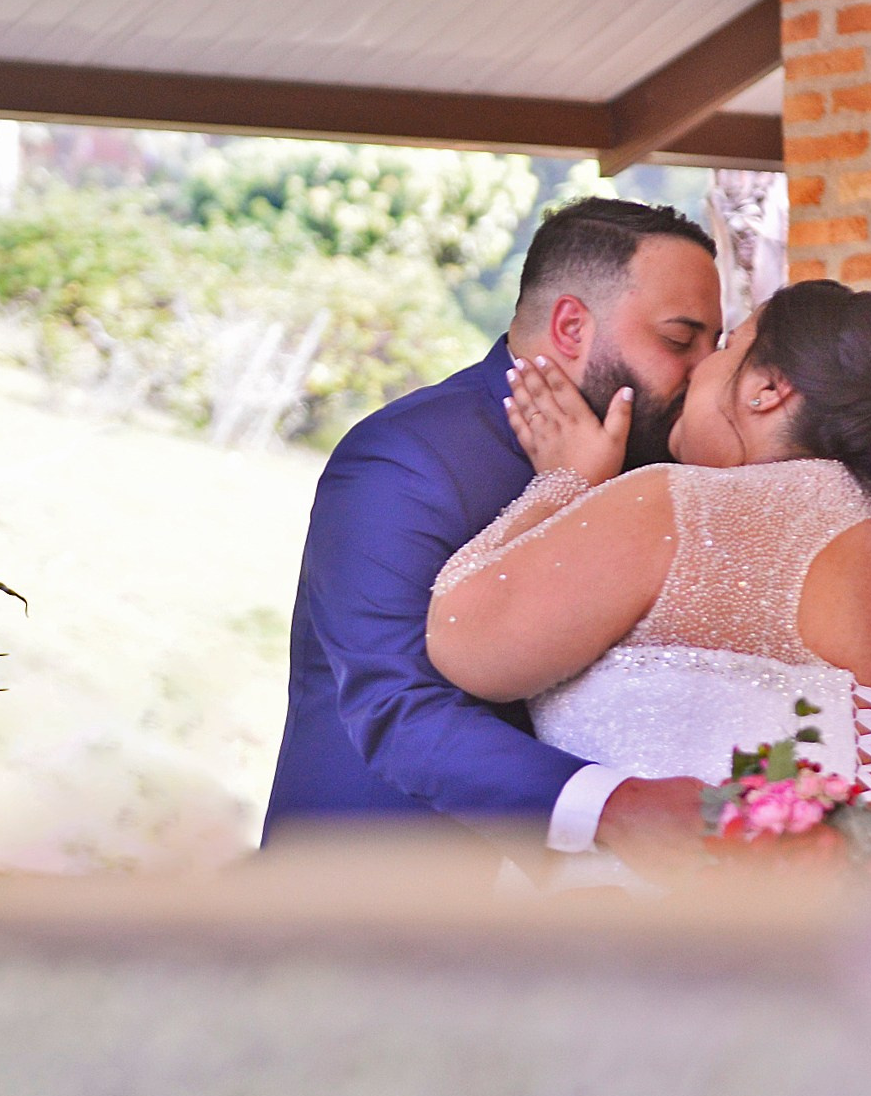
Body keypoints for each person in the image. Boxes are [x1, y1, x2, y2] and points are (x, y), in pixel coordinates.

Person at [427, 279, 871, 879]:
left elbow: (464, 640)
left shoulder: (680, 508)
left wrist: (562, 480)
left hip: (650, 955)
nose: (697, 367)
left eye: (726, 345)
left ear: (767, 389)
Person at [262, 197, 726, 866]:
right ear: (571, 326)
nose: (703, 369)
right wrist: (615, 807)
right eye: (681, 341)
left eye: (717, 346)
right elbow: (398, 709)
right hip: (379, 892)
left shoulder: (668, 469)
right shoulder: (405, 459)